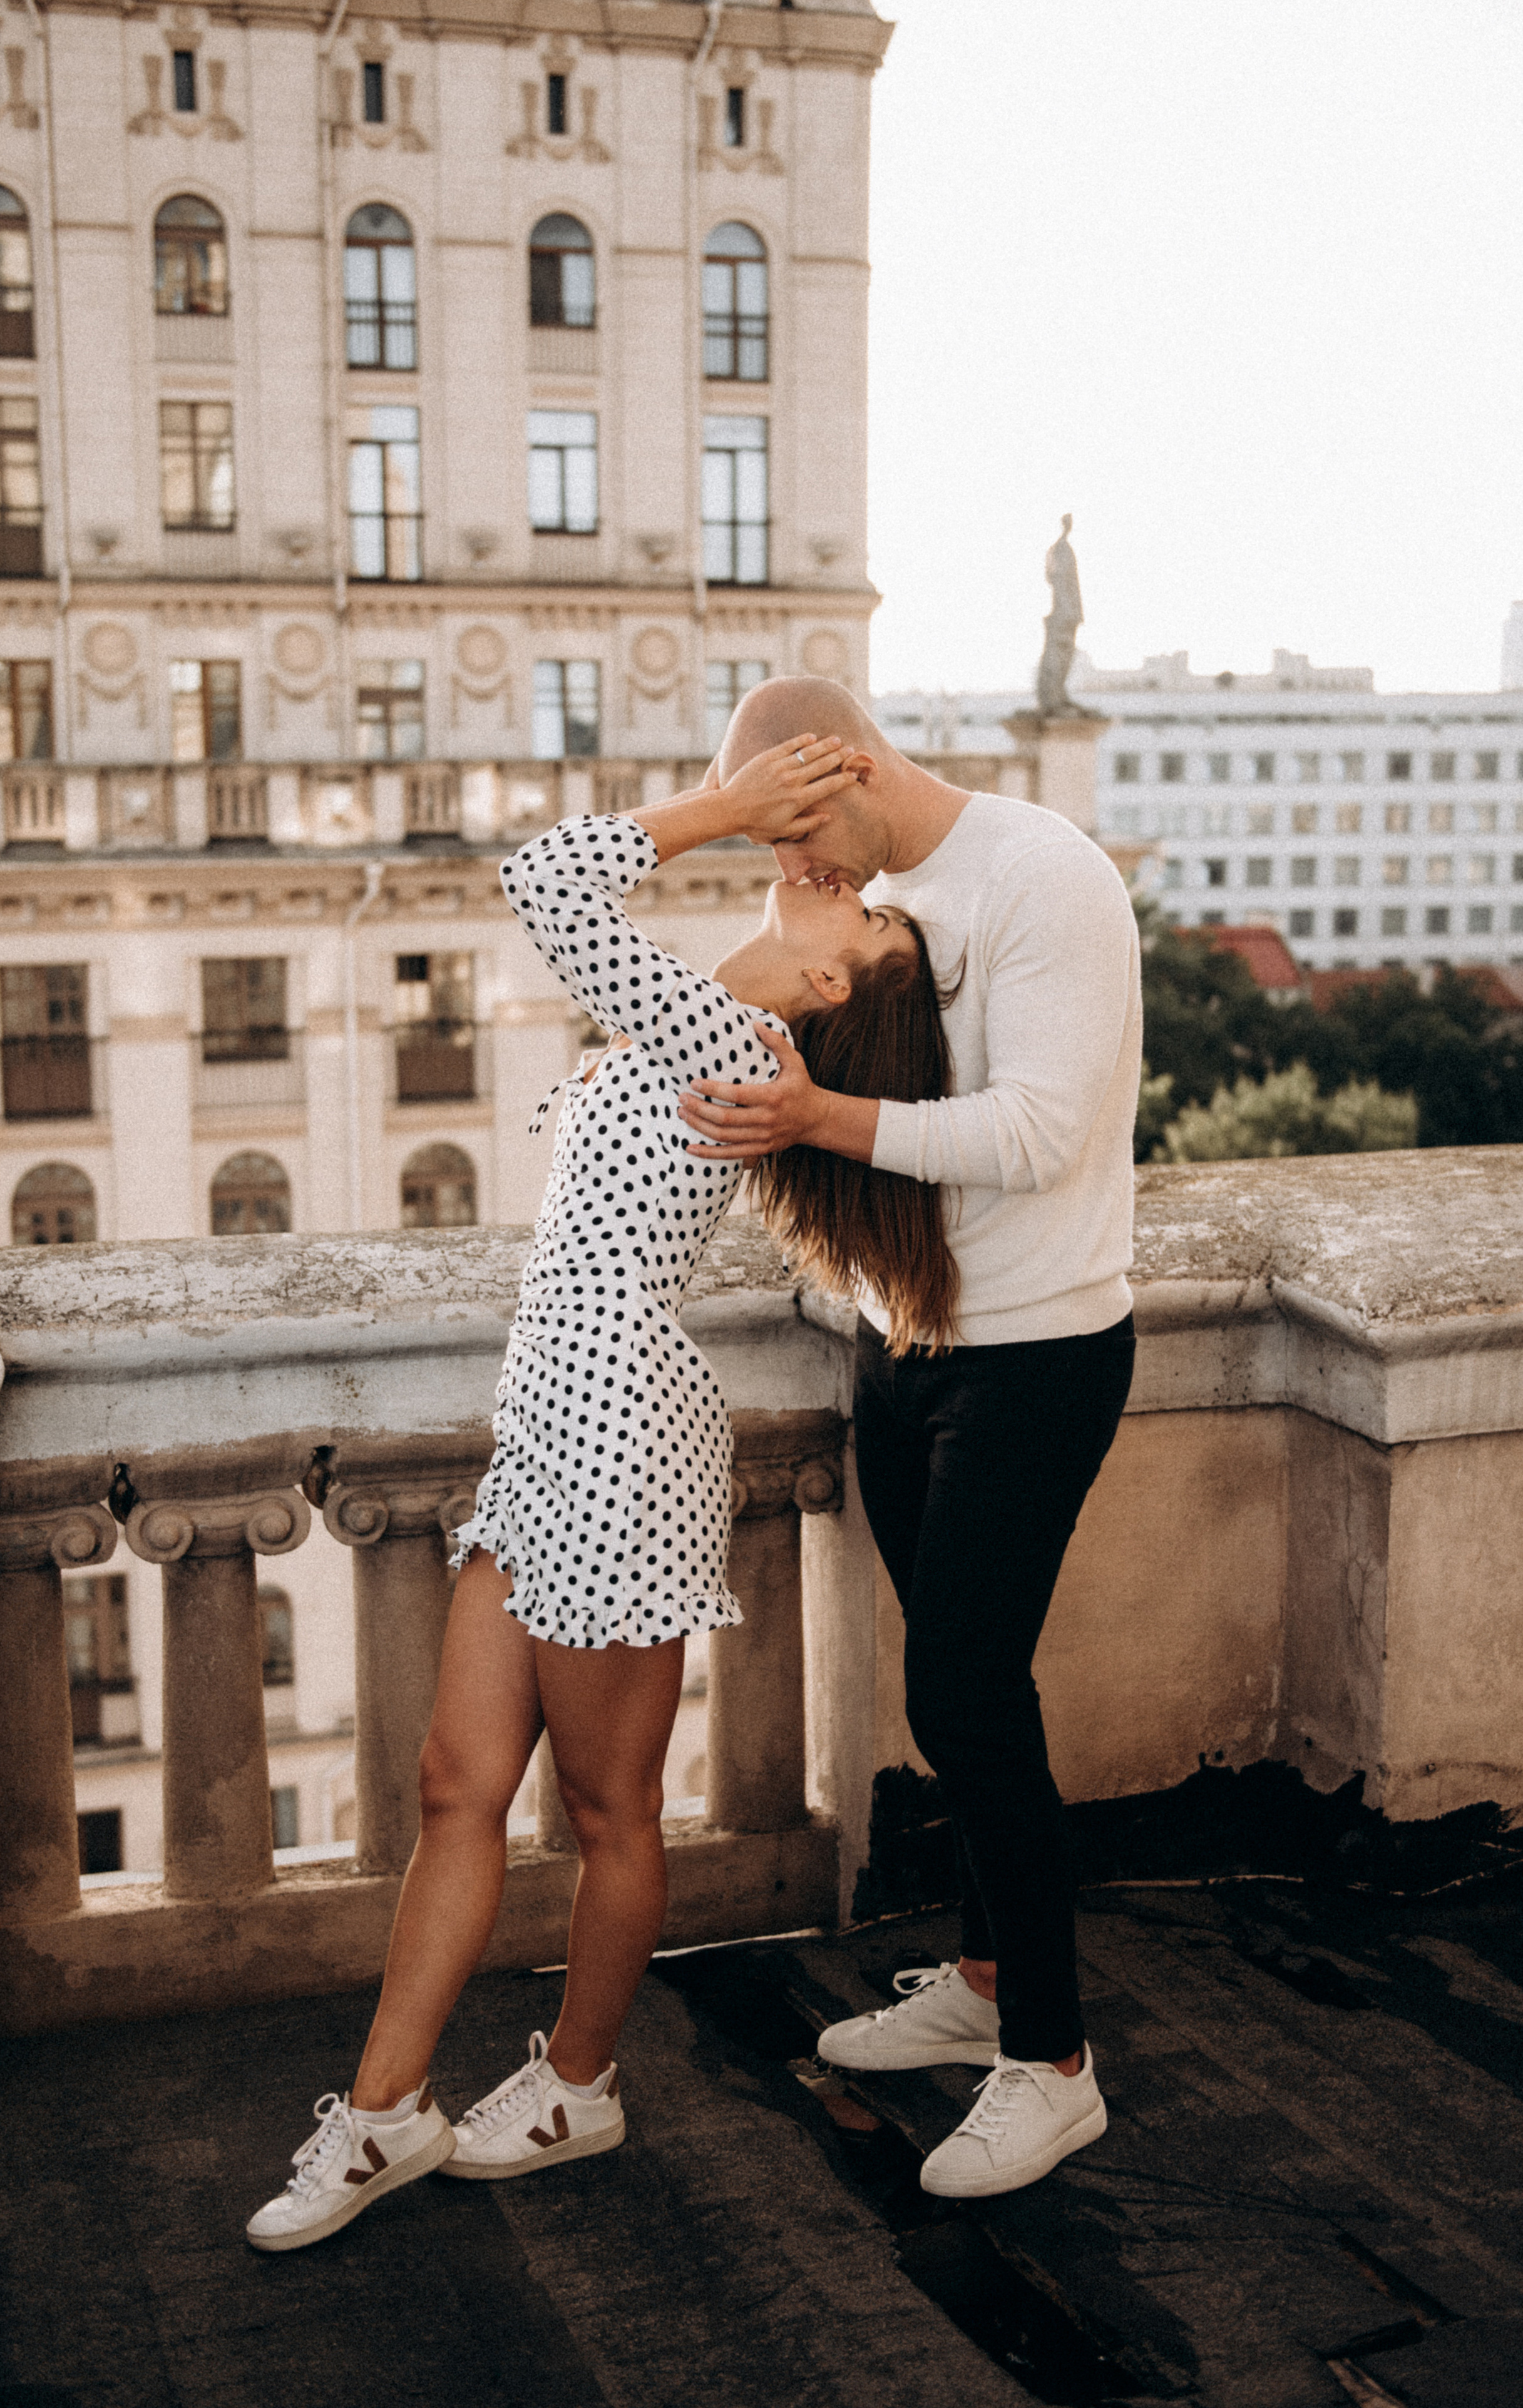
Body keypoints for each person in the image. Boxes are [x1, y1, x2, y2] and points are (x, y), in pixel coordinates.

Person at [245, 735, 961, 2251]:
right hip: (556, 1428)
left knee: (607, 1807)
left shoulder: (727, 1041)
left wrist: (725, 810)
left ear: (835, 992)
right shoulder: (710, 1027)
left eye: (872, 913)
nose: (847, 880)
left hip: (619, 1435)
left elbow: (546, 882)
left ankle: (576, 2082)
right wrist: (760, 829)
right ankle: (382, 2113)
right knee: (455, 1782)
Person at [679, 676, 1142, 2201]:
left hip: (1036, 1356)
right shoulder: (864, 885)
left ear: (854, 765)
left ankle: (1052, 2065)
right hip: (907, 1346)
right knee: (947, 1690)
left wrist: (814, 1119)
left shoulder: (1040, 875)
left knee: (966, 1691)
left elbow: (1034, 1130)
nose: (807, 868)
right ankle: (988, 1977)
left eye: (801, 824)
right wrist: (775, 881)